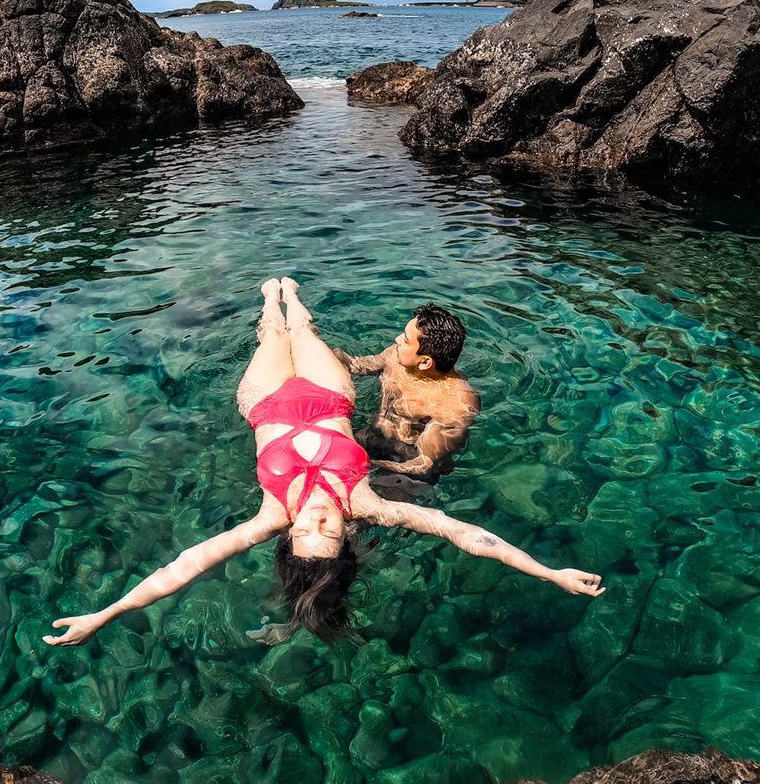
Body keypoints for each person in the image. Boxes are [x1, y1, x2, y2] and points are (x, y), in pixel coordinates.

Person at [43, 277, 602, 649]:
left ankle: (272, 299)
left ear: (287, 539)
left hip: (264, 400)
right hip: (332, 396)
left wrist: (105, 614)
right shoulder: (364, 502)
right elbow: (464, 533)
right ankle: (292, 297)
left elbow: (186, 565)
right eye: (327, 528)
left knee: (274, 327)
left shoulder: (269, 515)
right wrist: (548, 572)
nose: (315, 518)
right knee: (304, 329)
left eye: (307, 529)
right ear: (345, 532)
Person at [335, 303, 479, 479]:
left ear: (425, 362)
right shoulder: (397, 355)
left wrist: (368, 464)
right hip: (370, 436)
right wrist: (334, 356)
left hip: (405, 464)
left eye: (405, 340)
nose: (397, 340)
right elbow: (359, 366)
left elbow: (425, 464)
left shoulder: (455, 402)